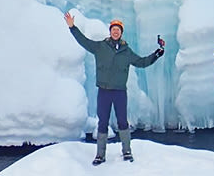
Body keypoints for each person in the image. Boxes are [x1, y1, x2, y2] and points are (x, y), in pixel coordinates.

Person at [65, 11, 165, 165]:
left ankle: (127, 152)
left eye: (118, 29)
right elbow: (84, 41)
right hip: (104, 92)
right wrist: (72, 27)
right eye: (113, 29)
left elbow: (142, 62)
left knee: (122, 122)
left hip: (119, 92)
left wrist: (157, 54)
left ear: (121, 33)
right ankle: (100, 155)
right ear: (110, 31)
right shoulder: (100, 47)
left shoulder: (127, 51)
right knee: (103, 122)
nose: (115, 31)